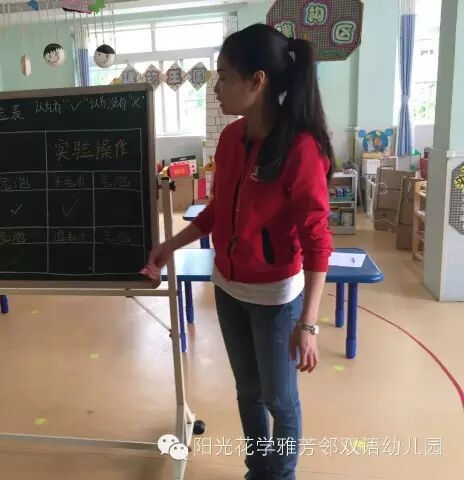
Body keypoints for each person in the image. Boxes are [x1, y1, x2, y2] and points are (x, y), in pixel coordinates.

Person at [141, 24, 334, 480]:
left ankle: (280, 475)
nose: (217, 88)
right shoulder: (230, 140)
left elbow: (317, 242)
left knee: (280, 400)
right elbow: (217, 211)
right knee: (248, 391)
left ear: (257, 81)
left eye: (224, 77)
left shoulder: (301, 149)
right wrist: (169, 246)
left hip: (274, 299)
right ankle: (258, 469)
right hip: (228, 289)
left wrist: (308, 324)